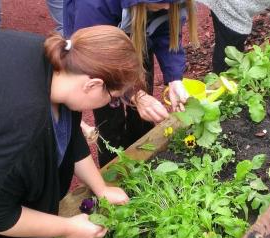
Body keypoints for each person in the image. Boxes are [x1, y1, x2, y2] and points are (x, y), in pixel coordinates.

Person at [0, 25, 143, 238]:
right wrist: (68, 228)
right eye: (112, 98)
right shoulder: (24, 129)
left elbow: (69, 136)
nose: (110, 104)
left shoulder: (58, 61)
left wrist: (101, 188)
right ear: (93, 85)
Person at [64, 0, 199, 166]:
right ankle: (113, 165)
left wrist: (174, 78)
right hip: (97, 53)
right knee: (109, 119)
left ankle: (143, 156)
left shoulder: (163, 5)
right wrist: (136, 94)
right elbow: (95, 60)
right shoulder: (93, 6)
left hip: (139, 31)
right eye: (164, 2)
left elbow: (166, 30)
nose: (168, 7)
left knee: (143, 111)